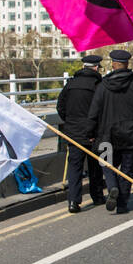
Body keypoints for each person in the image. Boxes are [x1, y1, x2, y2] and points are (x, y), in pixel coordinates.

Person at [86, 49, 133, 215]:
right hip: (131, 135)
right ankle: (122, 203)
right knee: (128, 170)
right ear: (127, 64)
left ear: (113, 64)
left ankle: (112, 186)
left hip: (107, 135)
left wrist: (90, 133)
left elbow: (93, 112)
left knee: (106, 163)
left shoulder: (103, 86)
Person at [57, 54, 107, 214]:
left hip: (73, 132)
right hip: (93, 132)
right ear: (96, 67)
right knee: (95, 166)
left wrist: (70, 122)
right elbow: (103, 109)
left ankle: (73, 200)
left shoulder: (70, 85)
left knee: (75, 168)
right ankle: (97, 195)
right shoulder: (99, 85)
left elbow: (60, 107)